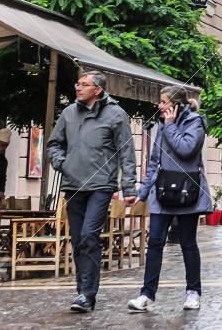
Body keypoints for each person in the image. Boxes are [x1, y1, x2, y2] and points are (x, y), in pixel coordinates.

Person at [47, 71, 138, 313]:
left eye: (84, 84)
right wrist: (61, 162)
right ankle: (82, 294)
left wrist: (129, 187)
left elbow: (127, 154)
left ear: (98, 89)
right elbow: (54, 144)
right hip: (73, 185)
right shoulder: (68, 113)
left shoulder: (116, 114)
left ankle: (87, 293)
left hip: (101, 185)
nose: (78, 87)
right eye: (77, 83)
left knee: (89, 236)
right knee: (78, 240)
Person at [127, 86, 211, 313]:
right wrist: (142, 192)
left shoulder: (195, 122)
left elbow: (186, 149)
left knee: (188, 243)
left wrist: (171, 125)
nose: (159, 106)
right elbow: (154, 163)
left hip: (186, 193)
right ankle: (146, 294)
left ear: (176, 105)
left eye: (163, 102)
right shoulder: (162, 126)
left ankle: (193, 292)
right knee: (154, 243)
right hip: (162, 193)